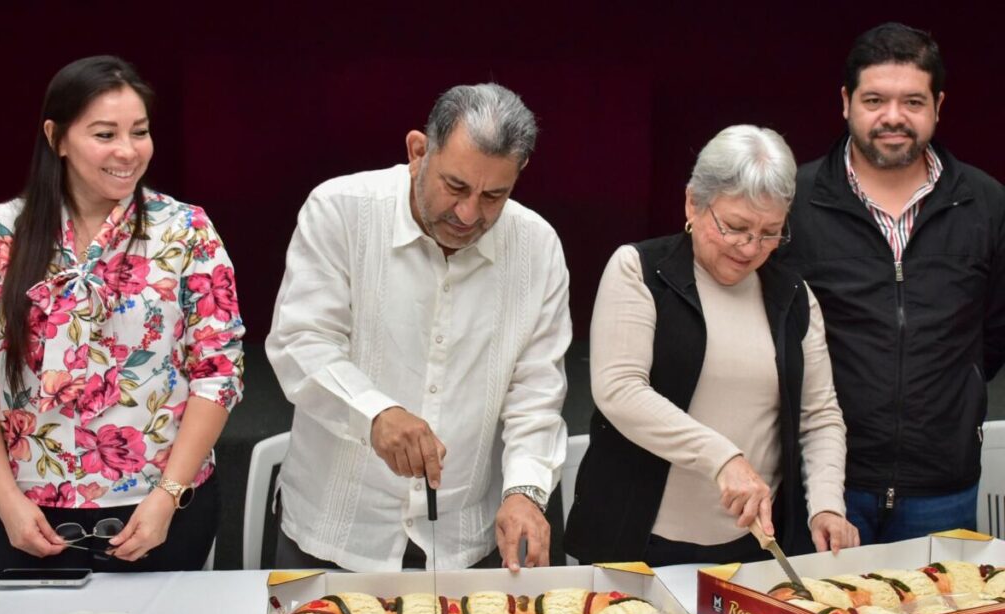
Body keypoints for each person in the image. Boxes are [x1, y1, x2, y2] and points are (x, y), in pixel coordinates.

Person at [266, 83, 571, 572]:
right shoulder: (340, 209)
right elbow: (301, 342)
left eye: (494, 195)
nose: (470, 213)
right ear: (417, 151)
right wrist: (376, 413)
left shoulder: (537, 246)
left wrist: (525, 493)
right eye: (455, 187)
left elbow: (536, 391)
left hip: (466, 544)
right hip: (336, 535)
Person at [0, 56, 245, 573]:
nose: (127, 151)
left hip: (157, 509)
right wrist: (4, 500)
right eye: (105, 134)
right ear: (56, 137)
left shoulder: (185, 230)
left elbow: (218, 373)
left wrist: (167, 497)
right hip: (22, 512)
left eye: (139, 132)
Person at [565, 125, 859, 566]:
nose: (750, 247)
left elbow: (819, 417)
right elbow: (620, 390)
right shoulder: (640, 270)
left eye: (769, 233)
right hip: (637, 542)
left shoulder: (793, 296)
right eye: (736, 226)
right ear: (693, 203)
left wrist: (827, 504)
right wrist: (723, 459)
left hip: (755, 547)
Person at [782, 23, 1005, 544]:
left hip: (942, 483)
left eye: (912, 101)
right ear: (846, 102)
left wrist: (959, 388)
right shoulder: (795, 201)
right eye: (875, 99)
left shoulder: (986, 203)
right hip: (826, 485)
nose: (893, 117)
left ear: (937, 105)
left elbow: (993, 331)